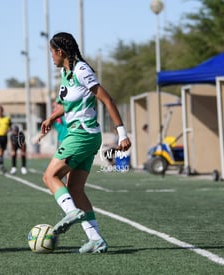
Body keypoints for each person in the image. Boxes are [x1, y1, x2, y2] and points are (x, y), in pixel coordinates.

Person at [40, 32, 131, 254]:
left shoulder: (81, 70)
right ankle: (96, 239)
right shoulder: (65, 72)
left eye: (52, 52)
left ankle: (70, 212)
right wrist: (51, 117)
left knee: (49, 176)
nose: (51, 57)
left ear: (60, 52)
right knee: (75, 189)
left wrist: (122, 134)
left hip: (82, 134)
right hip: (83, 135)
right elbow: (68, 103)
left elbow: (107, 99)